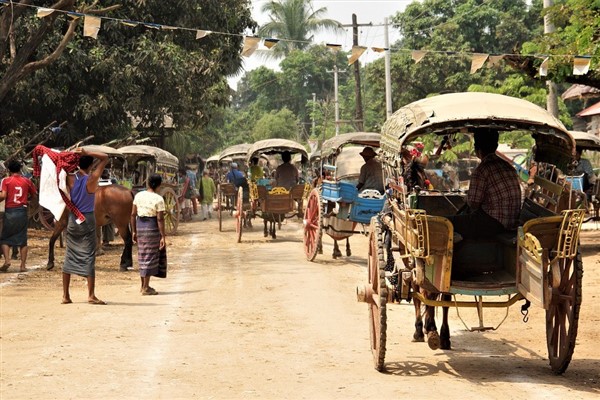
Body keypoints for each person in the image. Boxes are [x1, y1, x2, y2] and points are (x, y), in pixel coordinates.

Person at [447, 128, 522, 240]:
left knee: (447, 222)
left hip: (495, 223)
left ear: (477, 150)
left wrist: (467, 198)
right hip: (512, 220)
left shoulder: (482, 170)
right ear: (496, 146)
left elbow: (473, 203)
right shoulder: (508, 166)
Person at [62, 148, 108, 304]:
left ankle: (66, 296)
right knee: (89, 256)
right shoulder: (92, 179)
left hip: (73, 218)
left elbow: (60, 165)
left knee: (69, 254)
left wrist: (74, 154)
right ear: (90, 166)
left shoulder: (69, 178)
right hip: (87, 219)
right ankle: (90, 295)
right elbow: (105, 157)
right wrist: (87, 151)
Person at [131, 173, 167, 296]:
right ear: (159, 185)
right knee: (150, 256)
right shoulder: (159, 199)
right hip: (152, 227)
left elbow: (133, 214)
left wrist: (134, 231)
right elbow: (160, 219)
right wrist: (163, 236)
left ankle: (143, 285)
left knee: (142, 256)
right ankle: (146, 287)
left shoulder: (139, 195)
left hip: (140, 226)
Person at [0, 160, 38, 272]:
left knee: (5, 238)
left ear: (9, 170)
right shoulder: (27, 181)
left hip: (10, 211)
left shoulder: (6, 181)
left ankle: (7, 260)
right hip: (22, 211)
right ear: (20, 169)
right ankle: (22, 266)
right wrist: (30, 203)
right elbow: (34, 195)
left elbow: (3, 196)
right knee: (22, 240)